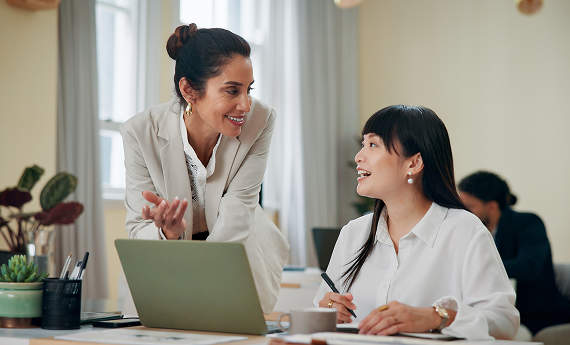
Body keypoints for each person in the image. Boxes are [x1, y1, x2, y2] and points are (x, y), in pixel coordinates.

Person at [120, 24, 288, 313]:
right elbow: (138, 227)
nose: (245, 104)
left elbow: (239, 209)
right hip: (166, 261)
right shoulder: (140, 132)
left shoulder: (261, 120)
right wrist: (167, 234)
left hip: (239, 252)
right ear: (188, 90)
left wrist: (202, 284)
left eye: (249, 90)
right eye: (232, 91)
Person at [313, 105, 519, 340]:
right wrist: (329, 309)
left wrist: (436, 317)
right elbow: (325, 304)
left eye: (373, 145)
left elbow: (504, 322)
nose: (359, 156)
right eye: (363, 144)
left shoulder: (464, 230)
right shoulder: (354, 233)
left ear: (413, 163)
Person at [458, 171, 570, 334]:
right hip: (487, 313)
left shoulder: (528, 222)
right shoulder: (470, 231)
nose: (464, 213)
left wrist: (477, 266)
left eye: (469, 207)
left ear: (492, 206)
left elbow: (529, 266)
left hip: (536, 315)